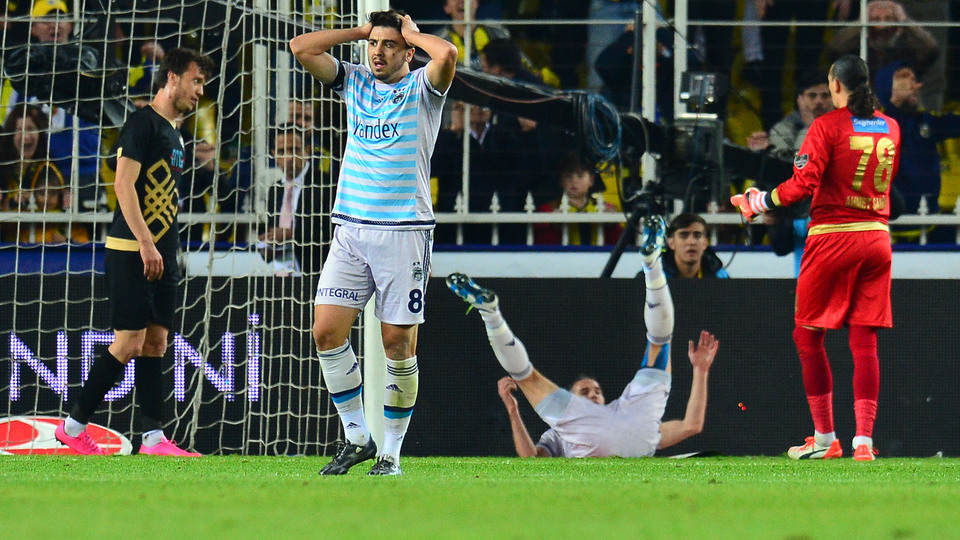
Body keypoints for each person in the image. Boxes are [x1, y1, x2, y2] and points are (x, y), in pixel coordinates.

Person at [290, 9, 457, 476]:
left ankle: (391, 454)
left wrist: (411, 33)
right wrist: (364, 30)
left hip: (404, 232)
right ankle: (357, 437)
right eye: (373, 45)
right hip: (351, 229)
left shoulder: (423, 88)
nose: (377, 52)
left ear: (408, 52)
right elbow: (301, 47)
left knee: (397, 345)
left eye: (389, 45)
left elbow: (447, 54)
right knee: (326, 332)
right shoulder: (355, 81)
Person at [731, 55, 901, 461]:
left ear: (836, 85)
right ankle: (864, 442)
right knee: (864, 341)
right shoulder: (890, 126)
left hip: (833, 238)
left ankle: (825, 439)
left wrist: (758, 201)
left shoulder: (826, 126)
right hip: (877, 238)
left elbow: (802, 184)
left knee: (808, 336)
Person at [54, 47, 216, 457]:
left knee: (156, 342)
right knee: (128, 342)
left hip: (163, 253)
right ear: (172, 77)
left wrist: (162, 248)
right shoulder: (141, 124)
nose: (200, 90)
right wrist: (145, 243)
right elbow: (123, 185)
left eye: (203, 83)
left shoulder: (175, 133)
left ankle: (154, 439)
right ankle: (73, 426)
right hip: (132, 250)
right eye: (196, 80)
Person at [447, 216, 719, 458]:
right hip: (628, 425)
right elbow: (533, 458)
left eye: (596, 391)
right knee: (660, 340)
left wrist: (701, 370)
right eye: (585, 391)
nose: (593, 394)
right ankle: (652, 265)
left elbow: (691, 426)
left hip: (620, 420)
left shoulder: (589, 419)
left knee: (526, 377)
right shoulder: (559, 433)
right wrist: (513, 411)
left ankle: (491, 315)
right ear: (570, 398)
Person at [747, 71, 833, 276]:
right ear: (800, 99)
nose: (819, 102)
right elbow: (790, 170)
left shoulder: (843, 130)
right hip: (793, 220)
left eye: (825, 95)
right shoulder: (780, 132)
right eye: (812, 96)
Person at [874, 61, 960, 242]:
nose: (917, 86)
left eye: (915, 80)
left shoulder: (926, 121)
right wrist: (894, 101)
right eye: (906, 79)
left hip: (930, 223)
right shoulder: (875, 124)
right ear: (887, 84)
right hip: (887, 230)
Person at [826, 0, 942, 110]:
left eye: (888, 19)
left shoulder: (907, 49)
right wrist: (860, 23)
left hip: (901, 111)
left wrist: (905, 21)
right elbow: (834, 50)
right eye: (876, 19)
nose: (883, 26)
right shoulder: (858, 48)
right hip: (864, 110)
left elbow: (932, 50)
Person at [0, 103, 87, 243]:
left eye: (30, 129)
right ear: (11, 135)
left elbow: (62, 215)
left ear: (40, 133)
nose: (26, 137)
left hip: (43, 245)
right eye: (20, 130)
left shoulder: (49, 170)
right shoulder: (3, 171)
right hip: (8, 247)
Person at [258, 125, 335, 277]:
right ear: (274, 154)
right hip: (281, 277)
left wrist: (292, 235)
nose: (289, 158)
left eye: (294, 150)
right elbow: (273, 233)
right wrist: (267, 245)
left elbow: (332, 233)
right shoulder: (274, 190)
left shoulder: (326, 185)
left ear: (307, 150)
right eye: (282, 152)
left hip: (317, 275)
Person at [534, 153, 622, 246]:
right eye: (568, 176)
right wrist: (553, 227)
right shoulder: (549, 209)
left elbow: (618, 243)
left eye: (580, 175)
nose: (574, 180)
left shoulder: (605, 208)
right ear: (561, 181)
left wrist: (613, 226)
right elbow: (541, 244)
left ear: (591, 180)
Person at [650, 213, 729, 279]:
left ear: (705, 243)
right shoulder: (653, 276)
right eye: (683, 235)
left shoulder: (720, 276)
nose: (691, 242)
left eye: (697, 235)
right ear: (671, 243)